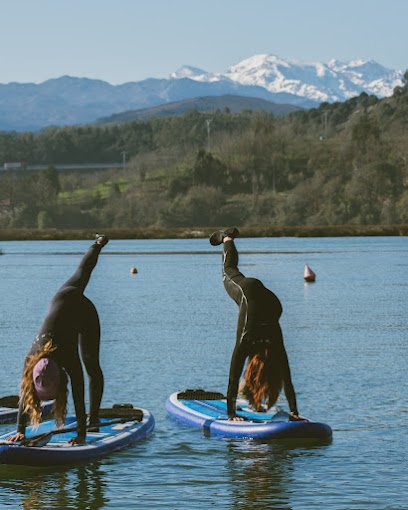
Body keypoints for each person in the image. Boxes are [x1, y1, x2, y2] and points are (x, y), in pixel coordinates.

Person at [9, 234, 109, 444]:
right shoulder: (31, 360)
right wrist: (20, 430)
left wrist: (82, 434)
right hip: (61, 297)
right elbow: (26, 391)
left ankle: (95, 418)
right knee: (82, 273)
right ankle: (98, 243)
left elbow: (78, 392)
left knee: (91, 366)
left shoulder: (68, 359)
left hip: (83, 313)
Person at [209, 227, 303, 422]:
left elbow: (234, 377)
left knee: (229, 271)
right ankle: (226, 237)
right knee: (229, 272)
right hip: (260, 298)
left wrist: (232, 414)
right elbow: (286, 378)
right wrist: (294, 411)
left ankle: (227, 238)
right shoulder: (258, 339)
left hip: (271, 305)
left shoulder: (256, 341)